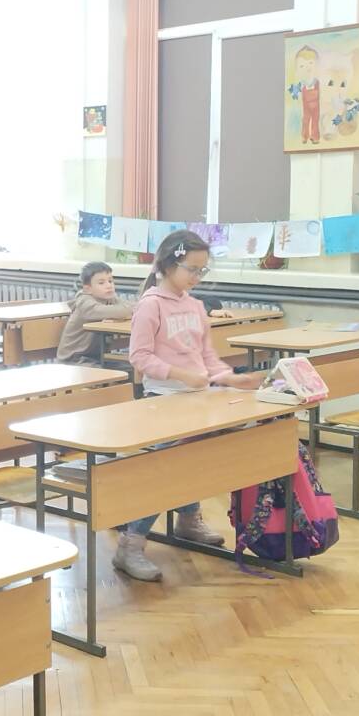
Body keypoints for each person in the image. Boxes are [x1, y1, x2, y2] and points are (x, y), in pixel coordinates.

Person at [117, 229, 264, 582]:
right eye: (192, 269)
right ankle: (130, 544)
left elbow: (207, 357)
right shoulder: (151, 305)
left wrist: (229, 377)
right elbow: (139, 357)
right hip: (163, 400)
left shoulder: (195, 306)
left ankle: (187, 519)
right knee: (165, 471)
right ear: (169, 265)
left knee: (194, 462)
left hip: (197, 398)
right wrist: (181, 375)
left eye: (203, 270)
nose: (197, 277)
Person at [56, 261, 134, 366]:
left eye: (110, 281)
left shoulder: (110, 298)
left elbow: (134, 307)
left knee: (131, 367)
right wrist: (123, 314)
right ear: (88, 289)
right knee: (117, 372)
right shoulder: (84, 302)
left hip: (97, 357)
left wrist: (122, 315)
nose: (108, 286)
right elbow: (116, 311)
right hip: (74, 359)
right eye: (101, 283)